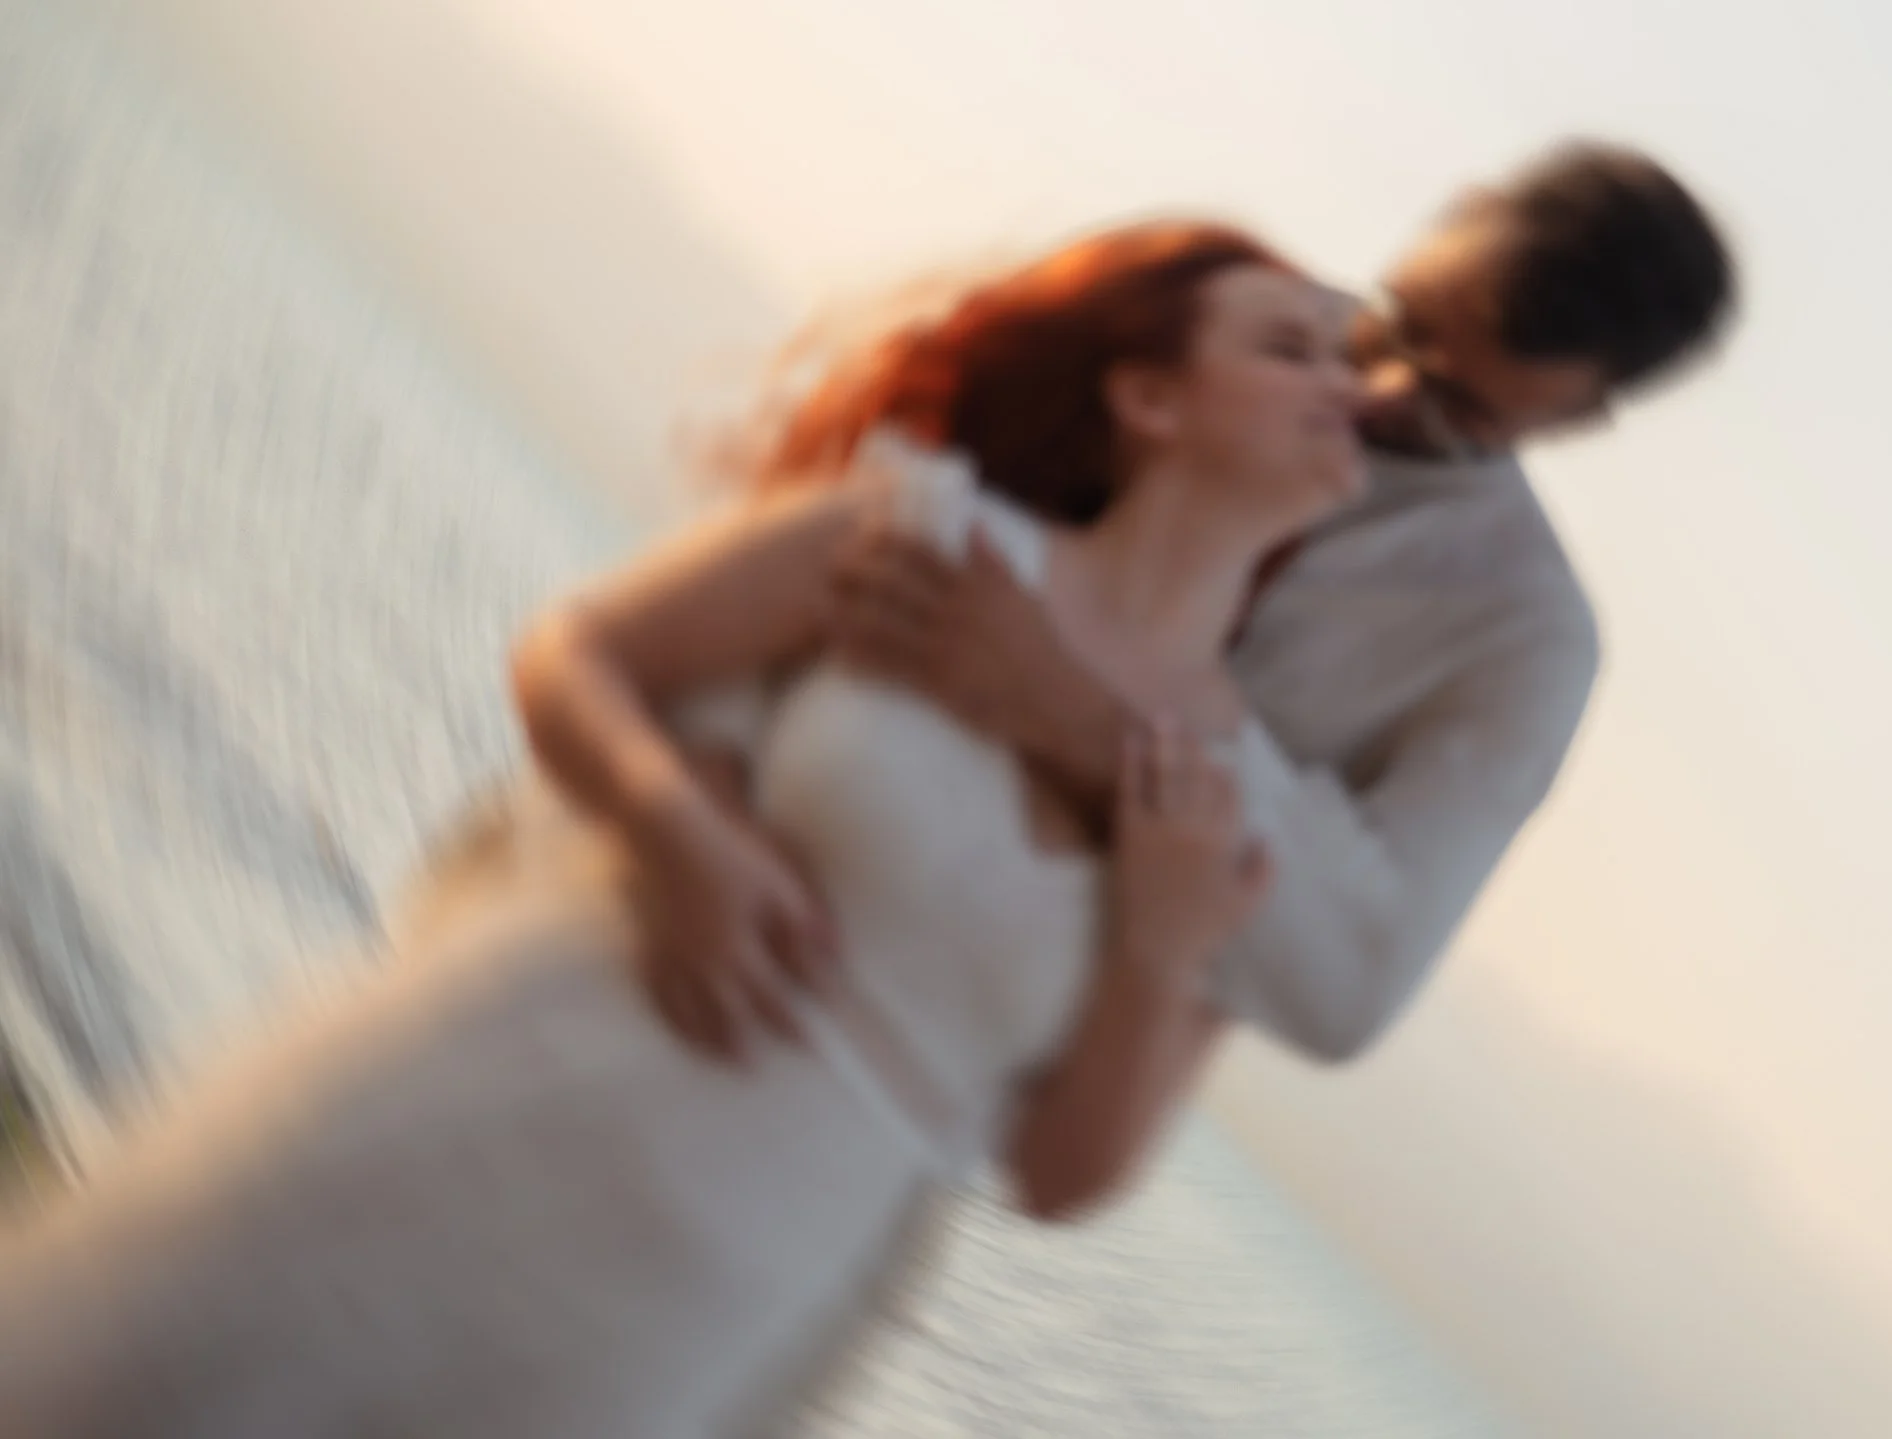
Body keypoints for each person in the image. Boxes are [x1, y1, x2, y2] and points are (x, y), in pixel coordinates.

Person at [0, 221, 1370, 1439]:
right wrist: (679, 836)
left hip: (721, 1276)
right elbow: (578, 654)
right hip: (505, 1076)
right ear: (1148, 396)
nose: (1342, 380)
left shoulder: (1245, 812)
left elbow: (1064, 1170)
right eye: (1291, 345)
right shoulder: (928, 534)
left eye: (1346, 356)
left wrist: (1163, 944)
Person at [677, 141, 1739, 1083]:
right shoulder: (1193, 311)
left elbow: (1348, 990)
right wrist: (686, 811)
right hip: (706, 847)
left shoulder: (1524, 641)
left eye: (1456, 406)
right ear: (1451, 212)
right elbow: (818, 517)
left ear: (1583, 421)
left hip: (912, 1048)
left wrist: (1074, 714)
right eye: (1399, 322)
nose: (1373, 394)